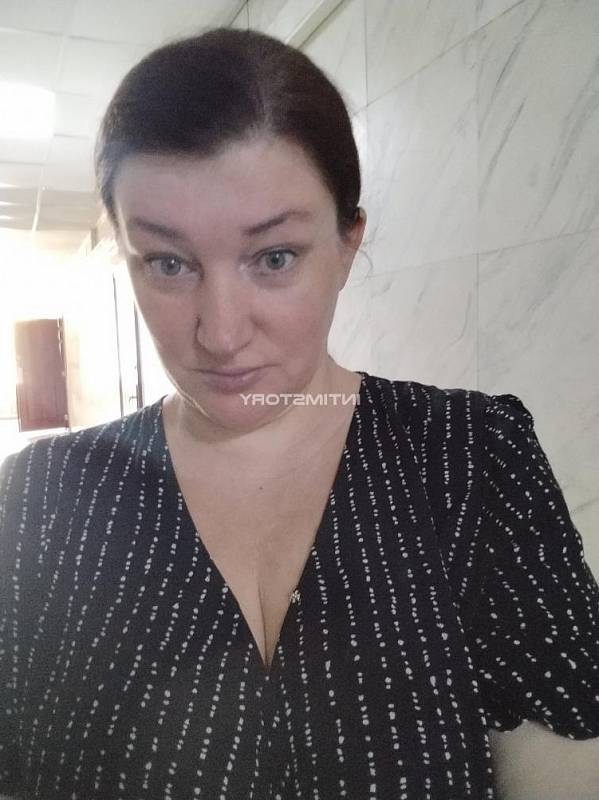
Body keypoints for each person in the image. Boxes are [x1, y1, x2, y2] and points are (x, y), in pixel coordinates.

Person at [1, 26, 598, 800]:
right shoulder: (43, 498)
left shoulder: (471, 455)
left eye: (274, 257)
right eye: (169, 263)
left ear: (347, 246)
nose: (220, 333)